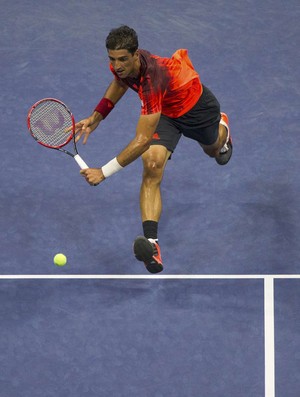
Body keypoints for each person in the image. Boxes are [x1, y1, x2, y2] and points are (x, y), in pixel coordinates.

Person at [75, 25, 232, 274]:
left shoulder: (153, 79)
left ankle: (223, 127)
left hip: (196, 109)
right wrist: (97, 117)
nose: (117, 65)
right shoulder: (123, 66)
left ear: (136, 55)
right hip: (164, 113)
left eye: (123, 59)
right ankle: (152, 244)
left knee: (213, 150)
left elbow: (141, 140)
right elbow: (119, 83)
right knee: (152, 165)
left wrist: (103, 172)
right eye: (112, 59)